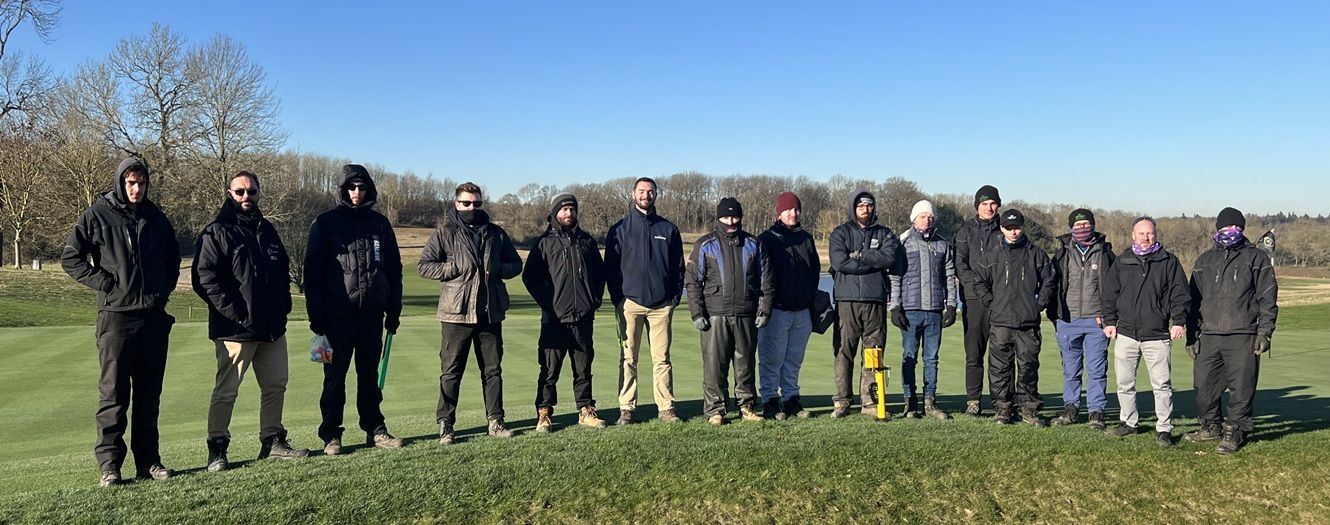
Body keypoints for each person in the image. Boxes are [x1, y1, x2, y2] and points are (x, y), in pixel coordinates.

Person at [61, 157, 180, 487]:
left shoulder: (156, 217)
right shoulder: (97, 215)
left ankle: (149, 462)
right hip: (116, 317)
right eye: (130, 182)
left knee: (148, 395)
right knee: (113, 395)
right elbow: (71, 258)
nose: (136, 189)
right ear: (120, 182)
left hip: (153, 317)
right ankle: (110, 466)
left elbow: (173, 259)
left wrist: (162, 289)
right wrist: (106, 283)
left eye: (141, 183)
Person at [193, 171, 308, 471]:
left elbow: (282, 271)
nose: (246, 197)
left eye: (251, 191)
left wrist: (282, 307)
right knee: (227, 391)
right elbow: (204, 280)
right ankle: (217, 448)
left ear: (259, 193)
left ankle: (273, 442)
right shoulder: (217, 231)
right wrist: (236, 314)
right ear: (229, 193)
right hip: (235, 330)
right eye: (240, 191)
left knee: (276, 386)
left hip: (272, 328)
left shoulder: (267, 230)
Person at [305, 164, 405, 455]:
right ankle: (331, 435)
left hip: (371, 316)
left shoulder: (380, 224)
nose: (357, 192)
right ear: (342, 190)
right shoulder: (325, 223)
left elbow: (394, 269)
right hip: (335, 317)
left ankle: (375, 428)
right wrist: (316, 314)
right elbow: (312, 273)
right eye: (351, 187)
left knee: (368, 376)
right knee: (334, 378)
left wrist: (394, 308)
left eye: (361, 187)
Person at [419, 182, 523, 444]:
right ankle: (446, 425)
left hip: (490, 312)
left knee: (492, 371)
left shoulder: (495, 233)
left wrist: (498, 269)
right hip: (456, 313)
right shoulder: (445, 233)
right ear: (456, 204)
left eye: (476, 203)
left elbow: (515, 264)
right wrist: (451, 268)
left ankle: (496, 421)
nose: (471, 207)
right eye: (466, 203)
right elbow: (425, 266)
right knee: (451, 372)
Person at [1184, 207, 1278, 454]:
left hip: (1244, 333)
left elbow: (1268, 298)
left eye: (1236, 228)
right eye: (1226, 229)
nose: (1230, 233)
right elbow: (1193, 302)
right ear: (1217, 230)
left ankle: (1236, 430)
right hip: (1210, 334)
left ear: (1242, 230)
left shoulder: (1256, 258)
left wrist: (1265, 332)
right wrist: (1191, 336)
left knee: (1242, 388)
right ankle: (1210, 426)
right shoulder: (1204, 261)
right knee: (1203, 386)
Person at [522, 193, 608, 431]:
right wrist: (549, 304)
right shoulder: (544, 243)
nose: (568, 214)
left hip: (583, 317)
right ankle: (544, 413)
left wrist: (594, 300)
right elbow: (530, 278)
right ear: (555, 213)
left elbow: (600, 276)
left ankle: (586, 409)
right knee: (549, 369)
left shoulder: (587, 242)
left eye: (572, 210)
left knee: (583, 367)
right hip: (554, 319)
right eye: (564, 210)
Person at [1101, 217, 1190, 448]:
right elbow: (1110, 295)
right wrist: (1109, 322)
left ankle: (1164, 428)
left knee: (1161, 385)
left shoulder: (1169, 261)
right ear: (1133, 235)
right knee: (1124, 383)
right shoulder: (1122, 261)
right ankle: (1129, 422)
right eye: (1141, 233)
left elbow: (1179, 294)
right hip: (1126, 334)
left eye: (1150, 233)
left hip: (1157, 334)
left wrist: (1179, 321)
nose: (1146, 237)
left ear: (1156, 234)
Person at [604, 177, 685, 425]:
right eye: (641, 191)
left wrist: (673, 299)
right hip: (631, 304)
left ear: (656, 195)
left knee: (661, 359)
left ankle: (666, 408)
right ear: (633, 194)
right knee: (629, 359)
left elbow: (678, 269)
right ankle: (627, 409)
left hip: (661, 306)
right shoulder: (620, 229)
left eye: (650, 191)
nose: (646, 195)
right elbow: (611, 269)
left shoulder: (668, 229)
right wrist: (619, 299)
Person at [687, 197, 774, 425]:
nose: (731, 221)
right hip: (714, 315)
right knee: (714, 365)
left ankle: (746, 406)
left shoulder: (754, 244)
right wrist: (697, 313)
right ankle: (715, 410)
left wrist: (764, 310)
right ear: (718, 218)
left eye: (735, 216)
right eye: (726, 216)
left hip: (746, 313)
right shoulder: (705, 245)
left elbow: (766, 281)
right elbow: (693, 282)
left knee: (745, 364)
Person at [971, 209, 1054, 426]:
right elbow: (978, 281)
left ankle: (1028, 409)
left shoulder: (1037, 255)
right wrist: (990, 301)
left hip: (1028, 322)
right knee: (1000, 369)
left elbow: (1049, 281)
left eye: (1016, 227)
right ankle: (1003, 409)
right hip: (1000, 322)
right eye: (1009, 228)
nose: (1013, 232)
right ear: (1001, 228)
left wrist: (1040, 303)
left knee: (1028, 367)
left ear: (1022, 227)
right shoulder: (991, 256)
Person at [828, 189, 903, 418]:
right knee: (844, 352)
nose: (865, 209)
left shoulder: (885, 233)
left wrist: (860, 255)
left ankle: (869, 403)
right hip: (846, 301)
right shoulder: (840, 233)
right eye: (861, 206)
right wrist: (874, 260)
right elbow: (840, 262)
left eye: (869, 206)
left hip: (875, 300)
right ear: (853, 208)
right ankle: (842, 401)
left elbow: (890, 258)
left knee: (873, 352)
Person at [888, 200, 957, 420]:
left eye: (930, 217)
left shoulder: (942, 245)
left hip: (934, 310)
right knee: (909, 356)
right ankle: (910, 403)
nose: (927, 220)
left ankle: (930, 403)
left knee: (931, 359)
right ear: (914, 219)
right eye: (922, 216)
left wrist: (952, 305)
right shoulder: (903, 243)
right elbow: (895, 277)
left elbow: (949, 277)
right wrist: (895, 306)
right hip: (910, 310)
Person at [1047, 209, 1114, 430]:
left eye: (1087, 223)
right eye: (1078, 224)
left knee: (1096, 370)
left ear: (1093, 225)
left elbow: (1114, 289)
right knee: (1071, 370)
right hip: (1068, 319)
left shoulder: (1105, 252)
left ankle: (1096, 412)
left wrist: (1108, 317)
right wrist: (1054, 316)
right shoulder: (1062, 253)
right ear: (1071, 227)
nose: (1083, 227)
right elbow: (1053, 285)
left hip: (1096, 321)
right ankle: (1071, 408)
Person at [756, 192, 820, 420]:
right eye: (788, 210)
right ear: (779, 213)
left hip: (802, 310)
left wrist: (810, 299)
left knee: (794, 360)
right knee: (772, 359)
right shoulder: (767, 238)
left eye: (796, 210)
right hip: (776, 311)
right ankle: (770, 401)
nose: (793, 214)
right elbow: (761, 276)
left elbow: (814, 271)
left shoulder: (806, 238)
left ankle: (792, 400)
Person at [954, 185, 1003, 416]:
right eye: (984, 204)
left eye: (992, 203)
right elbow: (960, 266)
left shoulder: (1005, 229)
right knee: (974, 354)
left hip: (1001, 300)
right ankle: (973, 401)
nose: (989, 208)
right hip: (974, 299)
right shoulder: (965, 231)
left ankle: (1002, 402)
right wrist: (979, 289)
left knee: (1001, 353)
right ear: (977, 207)